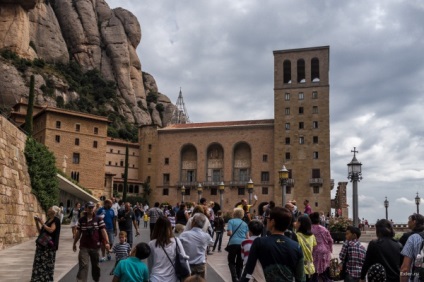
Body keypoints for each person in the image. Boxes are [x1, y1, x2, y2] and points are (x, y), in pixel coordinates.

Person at [240, 207, 305, 282]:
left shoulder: (259, 242)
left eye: (268, 217)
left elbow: (249, 270)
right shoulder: (296, 246)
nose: (266, 219)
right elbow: (300, 276)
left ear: (273, 221)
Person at [73, 201, 110, 282]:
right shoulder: (81, 220)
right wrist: (74, 243)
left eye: (92, 207)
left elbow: (103, 231)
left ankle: (96, 279)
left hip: (95, 246)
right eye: (89, 207)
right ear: (86, 208)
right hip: (84, 246)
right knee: (83, 265)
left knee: (95, 266)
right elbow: (78, 232)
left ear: (94, 208)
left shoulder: (98, 219)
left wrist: (107, 242)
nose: (91, 209)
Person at [148, 216, 190, 282]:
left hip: (155, 278)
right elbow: (184, 258)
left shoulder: (151, 244)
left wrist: (149, 276)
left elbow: (150, 263)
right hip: (172, 278)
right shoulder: (176, 241)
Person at [31, 206, 62, 282]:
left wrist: (42, 222)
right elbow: (41, 231)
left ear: (54, 212)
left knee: (46, 264)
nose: (48, 209)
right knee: (39, 264)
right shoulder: (48, 220)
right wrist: (37, 222)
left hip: (49, 247)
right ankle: (37, 279)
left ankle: (46, 280)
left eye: (50, 209)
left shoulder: (56, 220)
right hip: (42, 245)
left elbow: (51, 230)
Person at [179, 213, 215, 278]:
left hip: (188, 265)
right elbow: (212, 243)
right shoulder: (206, 236)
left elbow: (178, 246)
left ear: (193, 222)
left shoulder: (184, 235)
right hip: (200, 265)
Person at [226, 207, 249, 282]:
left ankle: (234, 277)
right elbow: (247, 237)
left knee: (231, 261)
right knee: (240, 262)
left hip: (233, 243)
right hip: (242, 244)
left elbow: (230, 233)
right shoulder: (245, 223)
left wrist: (228, 233)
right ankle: (239, 278)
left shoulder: (231, 221)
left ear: (234, 214)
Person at [309, 212, 333, 281]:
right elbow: (330, 240)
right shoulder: (324, 229)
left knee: (314, 270)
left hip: (314, 250)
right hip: (324, 250)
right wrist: (330, 249)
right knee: (324, 269)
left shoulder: (309, 229)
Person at [400, 213, 424, 282]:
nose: (408, 222)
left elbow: (405, 268)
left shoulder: (411, 238)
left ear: (414, 221)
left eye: (409, 220)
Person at [294, 215, 316, 281]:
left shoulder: (296, 236)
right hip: (311, 267)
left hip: (300, 268)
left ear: (300, 223)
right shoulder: (312, 236)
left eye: (297, 221)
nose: (295, 223)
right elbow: (313, 249)